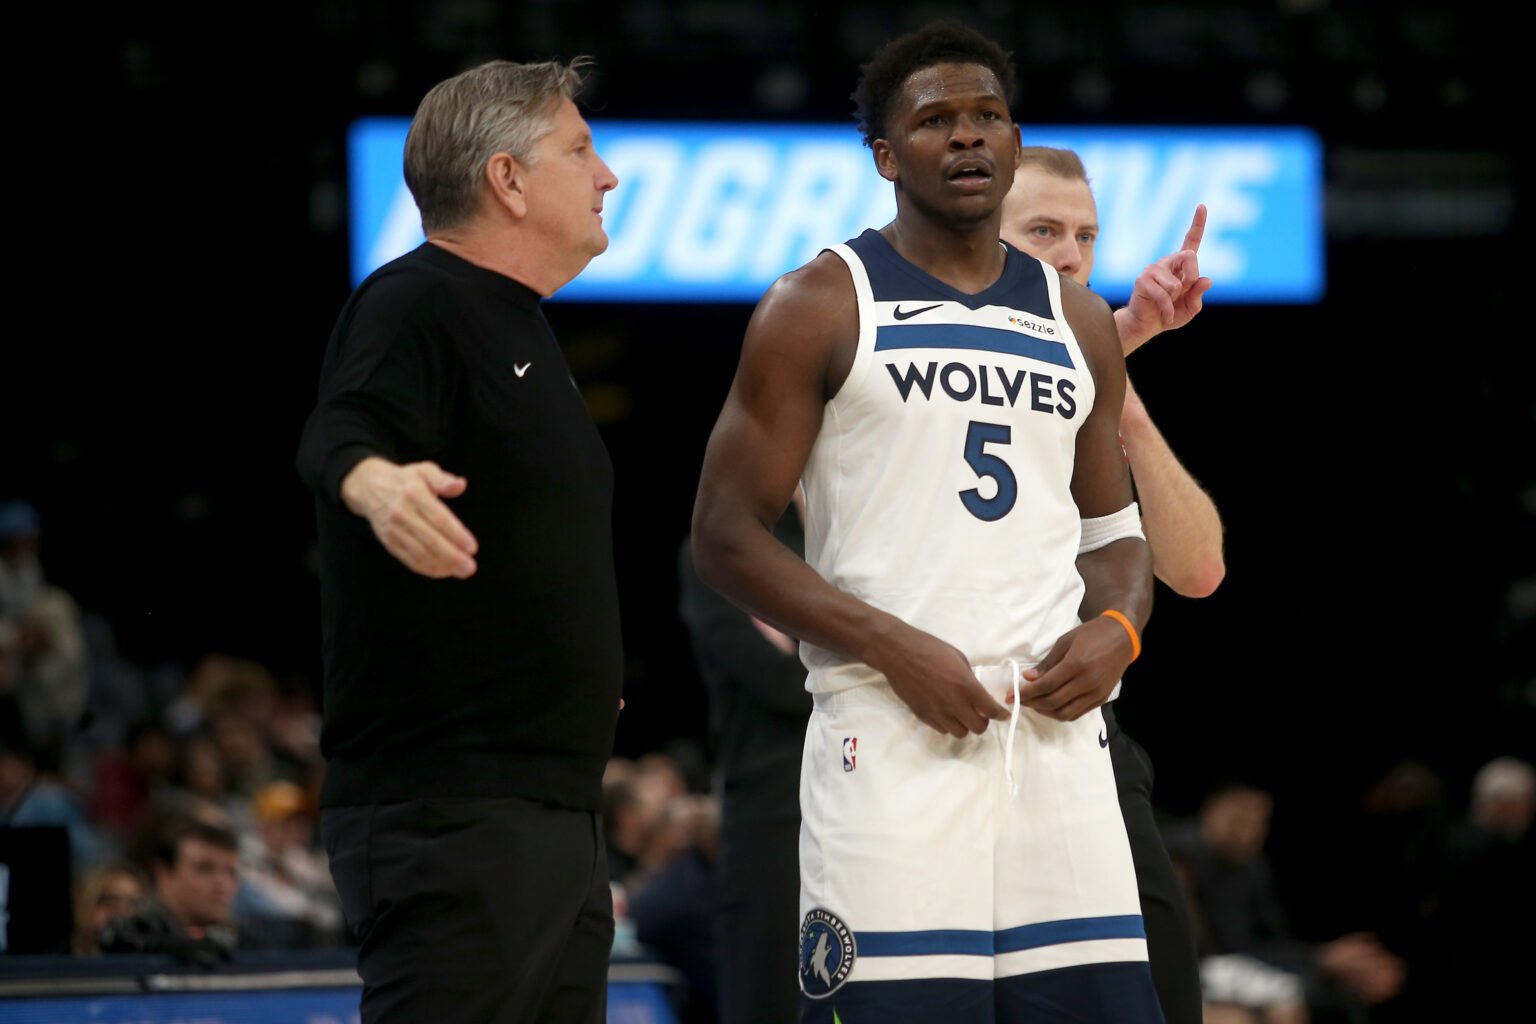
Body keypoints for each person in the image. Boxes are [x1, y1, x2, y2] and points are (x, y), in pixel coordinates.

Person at [692, 20, 1159, 1023]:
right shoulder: (819, 302)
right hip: (893, 741)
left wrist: (1118, 631)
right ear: (884, 154)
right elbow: (725, 533)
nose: (967, 138)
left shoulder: (1077, 320)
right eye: (936, 120)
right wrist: (893, 645)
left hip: (1053, 748)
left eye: (987, 116)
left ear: (1016, 140)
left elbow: (1115, 534)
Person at [294, 57, 622, 1023]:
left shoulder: (519, 327)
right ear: (507, 180)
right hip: (455, 815)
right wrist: (373, 480)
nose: (607, 175)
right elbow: (337, 429)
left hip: (548, 814)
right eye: (580, 149)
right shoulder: (414, 301)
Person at [999, 146, 1222, 1024]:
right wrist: (1112, 343)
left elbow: (1198, 568)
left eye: (1085, 236)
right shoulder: (911, 363)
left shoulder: (1086, 369)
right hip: (946, 730)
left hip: (1083, 736)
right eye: (1043, 230)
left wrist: (1112, 363)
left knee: (1165, 997)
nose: (1070, 256)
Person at [677, 489, 809, 1024]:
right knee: (769, 1001)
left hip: (872, 803)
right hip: (770, 817)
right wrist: (881, 657)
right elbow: (780, 683)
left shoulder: (861, 540)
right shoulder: (719, 550)